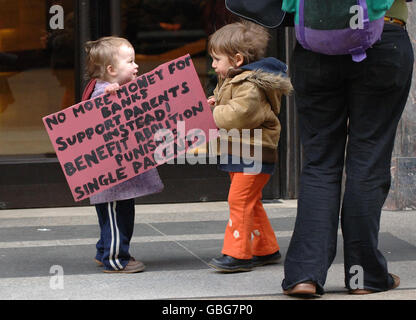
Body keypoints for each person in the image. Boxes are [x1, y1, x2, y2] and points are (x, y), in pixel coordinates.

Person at [281, 0, 414, 296]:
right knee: (368, 160)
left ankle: (305, 274)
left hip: (317, 46)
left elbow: (288, 4)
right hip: (383, 40)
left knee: (319, 163)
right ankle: (363, 278)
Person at [205, 21, 293, 272]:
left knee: (239, 200)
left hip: (254, 153)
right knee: (250, 201)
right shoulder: (235, 79)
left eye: (216, 59)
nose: (213, 65)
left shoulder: (249, 84)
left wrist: (214, 113)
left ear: (237, 59)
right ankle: (266, 248)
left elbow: (240, 115)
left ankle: (238, 254)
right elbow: (233, 108)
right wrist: (217, 102)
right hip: (241, 151)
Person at [82, 36, 164, 273]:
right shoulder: (103, 93)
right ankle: (116, 258)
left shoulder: (121, 89)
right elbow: (95, 113)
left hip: (118, 176)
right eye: (130, 61)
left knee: (118, 216)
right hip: (111, 180)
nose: (136, 65)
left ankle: (104, 250)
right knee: (117, 216)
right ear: (111, 70)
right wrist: (108, 96)